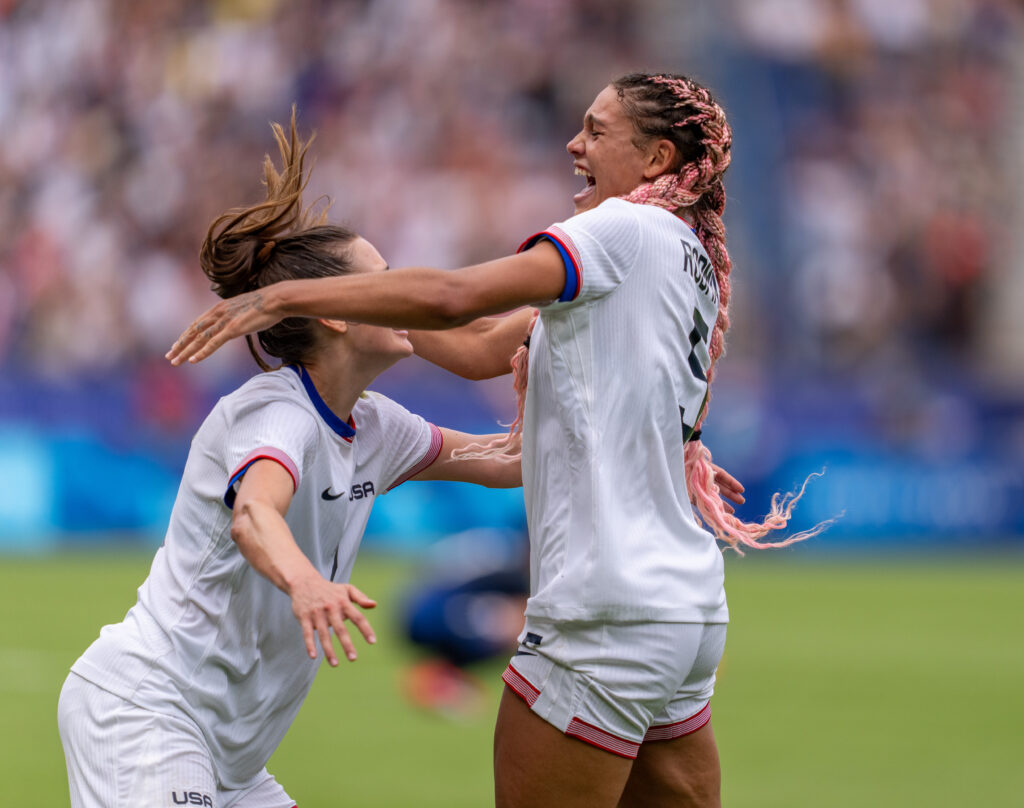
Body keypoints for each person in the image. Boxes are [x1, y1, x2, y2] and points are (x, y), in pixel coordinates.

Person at [168, 74, 826, 808]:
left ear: (656, 159)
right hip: (686, 611)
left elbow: (457, 299)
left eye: (598, 130)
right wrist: (355, 310)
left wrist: (289, 295)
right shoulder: (687, 255)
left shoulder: (618, 232)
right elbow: (482, 347)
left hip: (602, 609)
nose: (575, 144)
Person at [58, 113, 522, 808]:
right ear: (337, 313)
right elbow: (254, 514)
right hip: (146, 716)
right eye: (383, 283)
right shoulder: (276, 412)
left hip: (234, 763)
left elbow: (508, 459)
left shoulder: (374, 423)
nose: (403, 295)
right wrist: (307, 583)